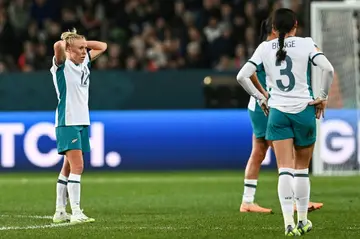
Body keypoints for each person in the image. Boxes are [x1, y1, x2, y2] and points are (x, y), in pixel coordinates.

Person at [236, 8, 334, 236]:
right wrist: (323, 97)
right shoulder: (306, 43)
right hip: (304, 111)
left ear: (273, 29)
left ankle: (288, 225)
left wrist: (261, 97)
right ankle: (303, 221)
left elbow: (242, 75)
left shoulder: (264, 48)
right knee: (301, 170)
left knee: (285, 171)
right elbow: (328, 68)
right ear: (296, 25)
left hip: (277, 112)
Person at [50, 28, 107, 224]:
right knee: (78, 166)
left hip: (81, 120)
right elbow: (57, 45)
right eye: (80, 48)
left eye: (85, 48)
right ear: (69, 50)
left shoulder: (84, 63)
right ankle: (76, 212)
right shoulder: (62, 65)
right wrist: (68, 43)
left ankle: (60, 211)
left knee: (67, 167)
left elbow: (103, 46)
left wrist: (82, 42)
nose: (84, 51)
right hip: (68, 121)